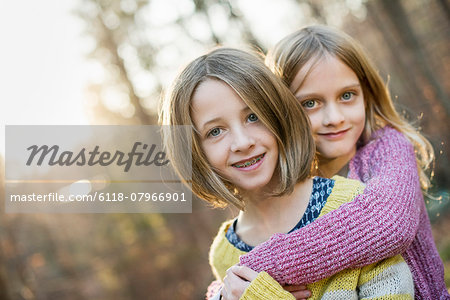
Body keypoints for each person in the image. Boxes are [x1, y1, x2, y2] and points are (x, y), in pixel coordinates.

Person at [160, 47, 415, 299]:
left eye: (252, 117)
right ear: (195, 152)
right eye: (215, 131)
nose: (242, 142)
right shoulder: (224, 254)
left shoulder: (353, 205)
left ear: (278, 115)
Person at [220, 25, 448, 299]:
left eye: (347, 96)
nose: (334, 117)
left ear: (367, 94)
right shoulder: (291, 186)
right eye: (310, 103)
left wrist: (259, 269)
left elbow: (390, 223)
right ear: (281, 111)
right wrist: (223, 292)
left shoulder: (388, 148)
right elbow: (230, 273)